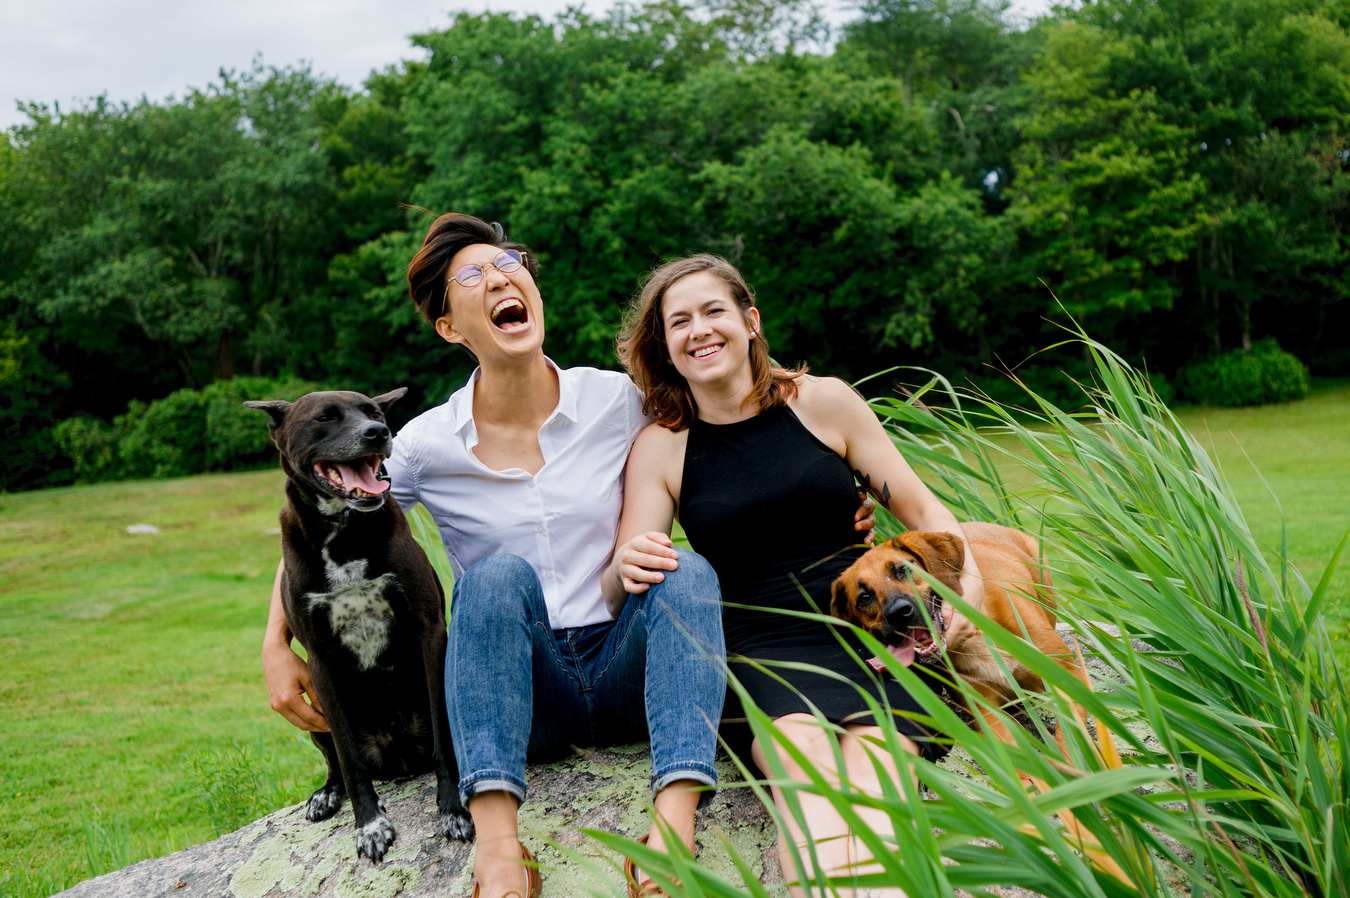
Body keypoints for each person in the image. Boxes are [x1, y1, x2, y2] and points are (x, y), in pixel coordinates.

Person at [260, 214, 874, 898]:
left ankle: (672, 830)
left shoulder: (618, 401)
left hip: (627, 664)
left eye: (510, 263)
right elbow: (323, 522)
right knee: (492, 577)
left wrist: (830, 507)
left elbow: (735, 428)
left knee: (685, 569)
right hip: (527, 690)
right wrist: (275, 642)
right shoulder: (428, 443)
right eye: (474, 276)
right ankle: (499, 852)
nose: (501, 278)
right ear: (451, 328)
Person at [610, 254, 987, 898]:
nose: (698, 330)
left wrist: (961, 606)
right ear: (665, 347)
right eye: (679, 322)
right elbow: (622, 581)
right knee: (809, 788)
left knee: (879, 784)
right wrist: (625, 565)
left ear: (750, 321)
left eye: (713, 311)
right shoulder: (663, 446)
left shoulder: (824, 403)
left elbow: (925, 512)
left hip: (867, 634)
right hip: (759, 650)